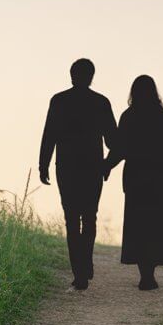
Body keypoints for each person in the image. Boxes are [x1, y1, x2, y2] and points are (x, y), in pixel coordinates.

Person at [38, 58, 117, 290]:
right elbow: (114, 140)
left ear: (71, 75)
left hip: (67, 168)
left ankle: (79, 271)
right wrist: (107, 165)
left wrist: (43, 165)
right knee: (89, 217)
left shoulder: (59, 101)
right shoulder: (101, 103)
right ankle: (85, 262)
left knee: (72, 220)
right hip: (92, 168)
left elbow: (48, 135)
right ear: (91, 76)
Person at [103, 75, 163, 291]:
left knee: (139, 227)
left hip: (137, 179)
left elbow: (120, 148)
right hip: (161, 179)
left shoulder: (129, 117)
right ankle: (150, 275)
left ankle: (145, 274)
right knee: (156, 227)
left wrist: (106, 165)